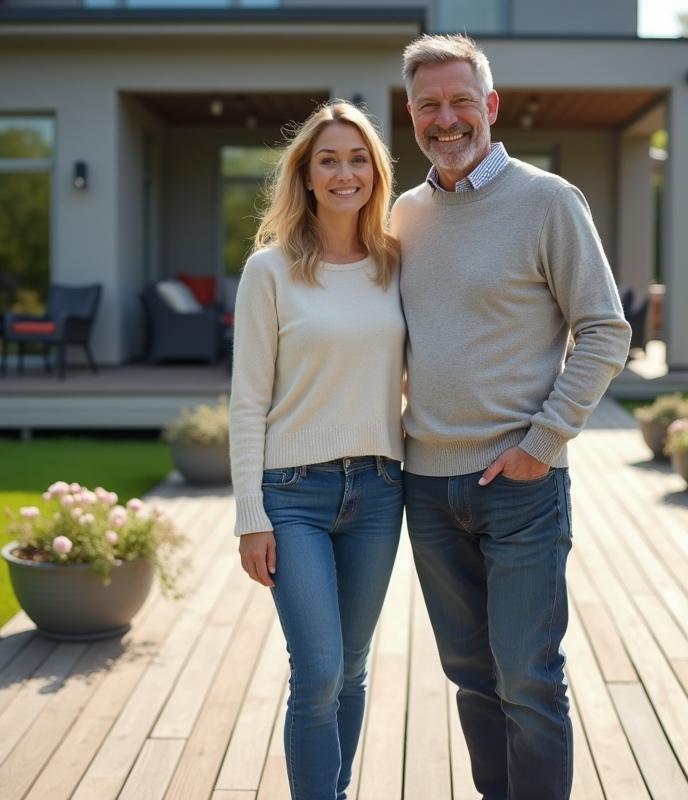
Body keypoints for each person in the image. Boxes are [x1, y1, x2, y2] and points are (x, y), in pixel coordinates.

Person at [392, 34, 632, 800]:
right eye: (430, 104)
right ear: (411, 114)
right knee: (470, 677)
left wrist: (543, 442)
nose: (447, 118)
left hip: (521, 485)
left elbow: (606, 330)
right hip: (426, 489)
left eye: (462, 100)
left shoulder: (549, 200)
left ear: (490, 106)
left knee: (528, 680)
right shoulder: (403, 214)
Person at [229, 101, 405, 800]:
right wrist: (250, 513)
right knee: (320, 669)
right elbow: (247, 400)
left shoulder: (397, 263)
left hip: (380, 490)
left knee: (353, 666)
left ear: (375, 172)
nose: (344, 173)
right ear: (304, 176)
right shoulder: (269, 272)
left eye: (358, 158)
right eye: (328, 160)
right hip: (292, 494)